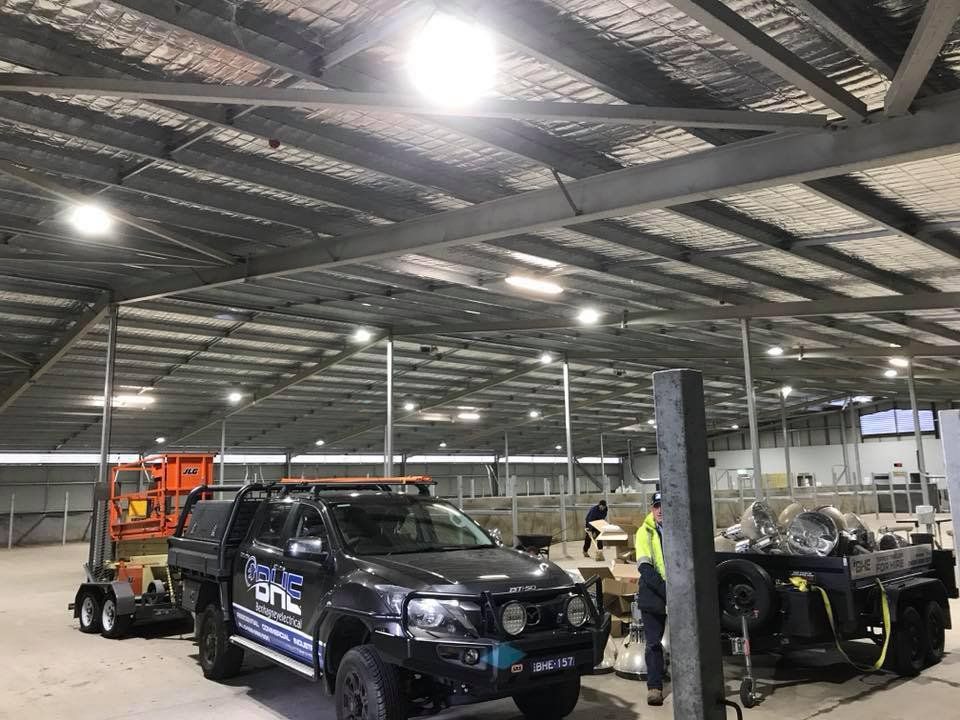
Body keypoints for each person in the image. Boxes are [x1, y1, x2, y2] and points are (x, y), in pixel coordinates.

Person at [635, 492, 666, 706]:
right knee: (653, 643)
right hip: (654, 593)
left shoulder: (680, 530)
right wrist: (667, 591)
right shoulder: (644, 532)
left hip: (679, 593)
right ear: (652, 509)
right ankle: (654, 687)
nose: (660, 510)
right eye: (656, 506)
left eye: (664, 505)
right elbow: (645, 568)